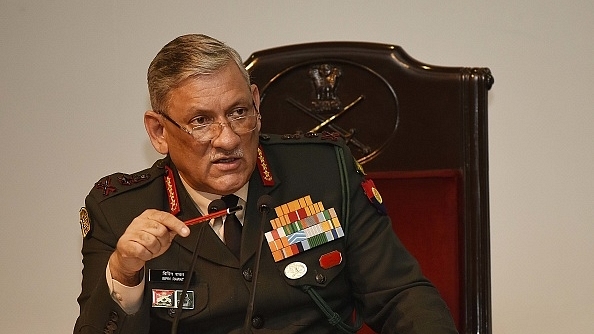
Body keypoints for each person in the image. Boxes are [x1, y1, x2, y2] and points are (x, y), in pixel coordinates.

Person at [74, 34, 458, 334]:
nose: (227, 139)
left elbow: (400, 295)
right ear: (159, 131)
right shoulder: (118, 211)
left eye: (239, 112)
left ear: (257, 104)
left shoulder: (324, 172)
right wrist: (125, 273)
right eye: (201, 121)